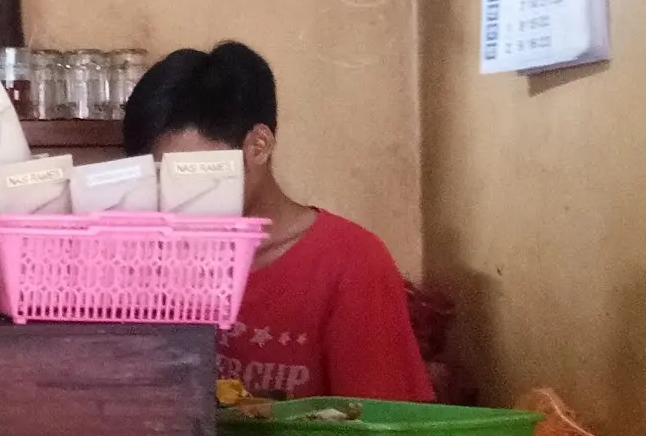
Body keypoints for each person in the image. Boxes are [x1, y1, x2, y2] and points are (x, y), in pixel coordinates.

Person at [122, 40, 432, 402]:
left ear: (258, 145)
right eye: (157, 178)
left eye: (191, 173)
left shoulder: (350, 262)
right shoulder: (153, 260)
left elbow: (383, 430)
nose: (173, 200)